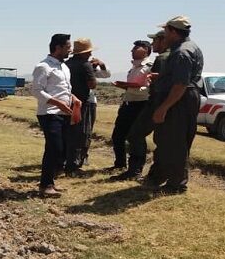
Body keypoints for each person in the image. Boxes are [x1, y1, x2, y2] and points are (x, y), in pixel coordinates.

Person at [149, 15, 204, 193]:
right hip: (184, 97)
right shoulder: (189, 47)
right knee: (170, 139)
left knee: (175, 141)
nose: (164, 34)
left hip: (179, 99)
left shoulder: (182, 52)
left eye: (166, 31)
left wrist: (163, 108)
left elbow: (180, 84)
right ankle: (164, 176)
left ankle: (176, 184)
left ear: (173, 31)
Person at [121, 30, 171, 180]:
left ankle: (136, 171)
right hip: (161, 102)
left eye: (155, 41)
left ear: (163, 41)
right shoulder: (171, 56)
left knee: (136, 135)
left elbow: (158, 85)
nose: (152, 44)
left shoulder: (162, 58)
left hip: (155, 102)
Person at [32, 33, 74, 197]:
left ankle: (50, 182)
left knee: (61, 149)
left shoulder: (64, 67)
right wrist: (58, 103)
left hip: (64, 113)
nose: (70, 50)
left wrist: (74, 99)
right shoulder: (43, 66)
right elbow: (37, 90)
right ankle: (45, 185)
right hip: (49, 113)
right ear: (58, 47)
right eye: (68, 47)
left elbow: (64, 89)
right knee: (54, 148)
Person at [64, 38, 106, 174]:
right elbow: (92, 84)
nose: (90, 54)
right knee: (82, 133)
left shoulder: (67, 64)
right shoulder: (85, 65)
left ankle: (65, 161)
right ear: (83, 53)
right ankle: (75, 165)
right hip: (83, 102)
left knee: (69, 132)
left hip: (68, 101)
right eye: (88, 51)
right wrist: (92, 71)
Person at [109, 41, 152, 174]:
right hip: (128, 104)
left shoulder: (149, 67)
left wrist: (127, 86)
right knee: (118, 135)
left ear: (145, 50)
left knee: (136, 137)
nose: (132, 51)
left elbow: (147, 89)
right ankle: (120, 163)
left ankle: (136, 169)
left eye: (135, 48)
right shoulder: (134, 67)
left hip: (140, 105)